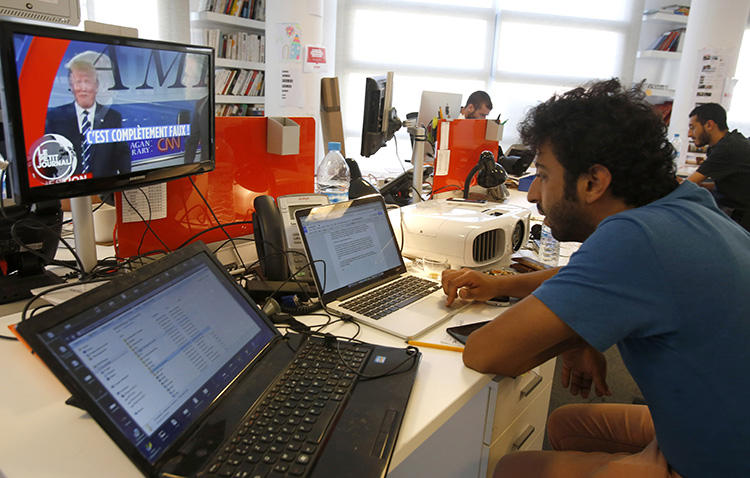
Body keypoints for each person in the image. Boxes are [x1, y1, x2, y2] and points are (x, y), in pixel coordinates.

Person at [442, 79, 750, 477]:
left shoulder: (635, 240)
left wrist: (576, 332)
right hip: (720, 426)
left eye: (544, 175)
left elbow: (485, 352)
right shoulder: (688, 206)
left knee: (514, 469)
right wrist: (503, 286)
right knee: (565, 425)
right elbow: (590, 277)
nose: (533, 194)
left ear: (593, 183)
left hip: (721, 463)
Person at [45, 52, 131, 178]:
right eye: (78, 82)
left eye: (87, 81)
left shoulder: (113, 118)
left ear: (96, 85)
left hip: (105, 191)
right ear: (71, 86)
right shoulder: (55, 117)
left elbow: (122, 156)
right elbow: (47, 161)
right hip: (67, 193)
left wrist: (127, 184)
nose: (83, 88)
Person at [685, 102, 750, 231]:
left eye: (692, 127)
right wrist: (702, 186)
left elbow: (689, 184)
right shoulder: (722, 144)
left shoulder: (728, 148)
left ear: (709, 125)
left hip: (741, 219)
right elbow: (732, 184)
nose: (689, 134)